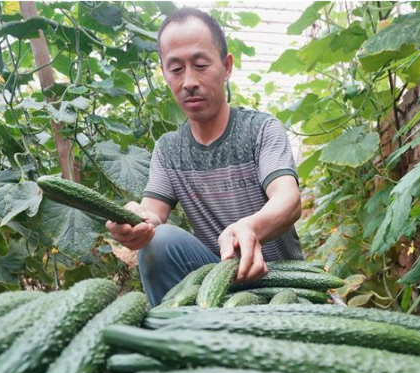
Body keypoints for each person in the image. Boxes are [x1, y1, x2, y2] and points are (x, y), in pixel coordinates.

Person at [106, 7, 304, 306]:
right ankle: (174, 339)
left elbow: (288, 201)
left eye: (200, 65)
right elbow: (151, 215)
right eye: (175, 69)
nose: (189, 82)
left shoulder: (261, 129)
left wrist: (250, 227)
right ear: (164, 74)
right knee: (159, 241)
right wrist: (134, 223)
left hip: (285, 283)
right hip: (218, 284)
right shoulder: (169, 149)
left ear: (226, 66)